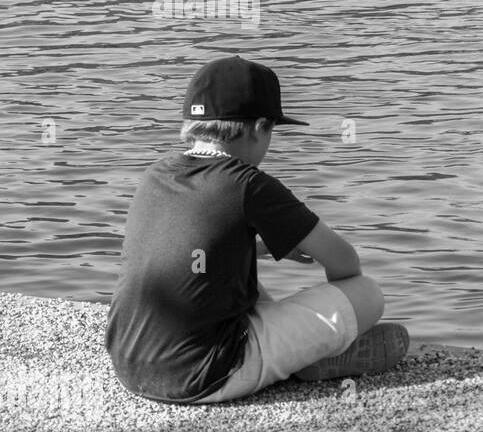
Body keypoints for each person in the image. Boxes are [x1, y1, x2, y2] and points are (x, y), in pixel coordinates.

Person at [106, 55, 408, 403]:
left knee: (219, 275)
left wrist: (258, 248)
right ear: (258, 127)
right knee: (368, 293)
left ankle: (295, 348)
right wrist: (338, 321)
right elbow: (345, 263)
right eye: (272, 131)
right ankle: (311, 355)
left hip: (129, 366)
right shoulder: (249, 184)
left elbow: (189, 255)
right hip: (206, 374)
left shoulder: (155, 175)